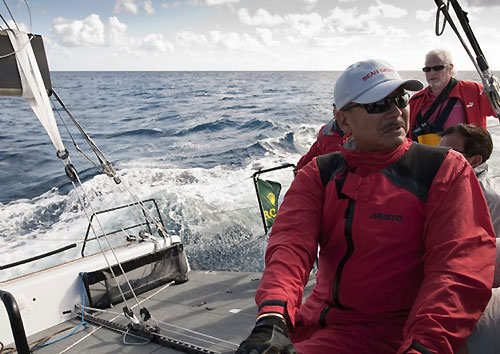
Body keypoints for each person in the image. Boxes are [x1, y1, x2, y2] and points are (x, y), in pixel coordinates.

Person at [236, 59, 496, 354]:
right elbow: (290, 248)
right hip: (313, 325)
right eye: (377, 105)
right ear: (344, 120)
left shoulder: (444, 170)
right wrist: (273, 318)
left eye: (400, 100)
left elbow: (457, 267)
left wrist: (424, 346)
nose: (396, 112)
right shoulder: (319, 174)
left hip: (401, 334)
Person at [437, 123, 500, 354]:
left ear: (473, 160)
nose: (438, 157)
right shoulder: (438, 187)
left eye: (448, 153)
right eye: (437, 150)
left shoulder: (490, 199)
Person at [408, 49, 497, 145]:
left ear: (450, 68)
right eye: (427, 69)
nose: (432, 73)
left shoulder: (474, 91)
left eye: (438, 68)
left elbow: (497, 109)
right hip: (427, 158)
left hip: (467, 157)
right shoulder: (415, 101)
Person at [295, 105, 345, 173]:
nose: (336, 111)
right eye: (335, 106)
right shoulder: (326, 133)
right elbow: (314, 152)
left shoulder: (361, 134)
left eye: (342, 108)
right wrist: (300, 168)